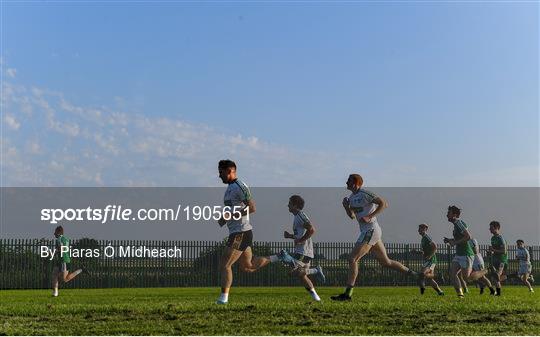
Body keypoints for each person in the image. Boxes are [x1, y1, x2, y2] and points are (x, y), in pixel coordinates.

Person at [331, 174, 417, 301]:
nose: (346, 182)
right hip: (369, 231)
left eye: (348, 180)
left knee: (352, 259)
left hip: (371, 230)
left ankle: (347, 294)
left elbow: (384, 203)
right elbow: (352, 216)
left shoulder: (365, 193)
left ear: (356, 183)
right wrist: (346, 207)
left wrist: (370, 216)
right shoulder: (352, 197)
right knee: (386, 262)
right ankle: (416, 275)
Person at [215, 159, 279, 304]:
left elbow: (252, 208)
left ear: (230, 171)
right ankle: (278, 257)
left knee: (225, 264)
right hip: (239, 231)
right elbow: (235, 209)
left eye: (221, 172)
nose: (219, 175)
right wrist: (225, 218)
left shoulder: (240, 186)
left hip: (241, 232)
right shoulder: (230, 188)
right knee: (248, 267)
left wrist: (230, 216)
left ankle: (223, 299)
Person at [279, 195, 325, 301]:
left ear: (295, 205)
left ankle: (315, 270)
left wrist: (301, 240)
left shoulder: (300, 215)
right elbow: (300, 234)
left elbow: (312, 229)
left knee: (293, 270)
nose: (288, 205)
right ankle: (316, 298)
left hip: (304, 251)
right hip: (302, 250)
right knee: (301, 275)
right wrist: (290, 236)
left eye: (289, 203)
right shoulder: (296, 217)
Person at [444, 206, 487, 297]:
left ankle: (485, 271)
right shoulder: (456, 225)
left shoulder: (459, 223)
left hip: (466, 254)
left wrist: (454, 242)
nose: (447, 214)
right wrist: (449, 240)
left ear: (455, 215)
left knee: (467, 278)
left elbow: (468, 236)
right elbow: (461, 238)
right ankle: (460, 294)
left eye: (449, 213)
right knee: (452, 274)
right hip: (459, 254)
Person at [51, 226, 83, 297]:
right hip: (62, 260)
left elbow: (60, 249)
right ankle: (55, 292)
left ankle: (80, 270)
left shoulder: (58, 240)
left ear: (58, 232)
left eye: (55, 232)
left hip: (63, 260)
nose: (54, 233)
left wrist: (52, 253)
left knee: (64, 279)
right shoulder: (66, 239)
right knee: (54, 275)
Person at [416, 223, 444, 296]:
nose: (419, 230)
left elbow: (435, 247)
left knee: (422, 274)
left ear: (425, 229)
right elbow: (423, 252)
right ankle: (440, 292)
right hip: (427, 260)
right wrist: (416, 252)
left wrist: (430, 256)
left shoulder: (427, 237)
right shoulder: (423, 239)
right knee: (429, 278)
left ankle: (422, 290)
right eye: (419, 228)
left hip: (431, 260)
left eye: (422, 228)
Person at [488, 221, 507, 296]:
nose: (490, 229)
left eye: (491, 228)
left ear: (497, 228)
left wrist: (493, 250)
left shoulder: (500, 238)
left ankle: (506, 277)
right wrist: (491, 252)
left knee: (497, 275)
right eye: (489, 228)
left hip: (502, 260)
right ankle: (498, 293)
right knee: (494, 279)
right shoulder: (492, 238)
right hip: (495, 259)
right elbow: (495, 250)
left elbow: (504, 251)